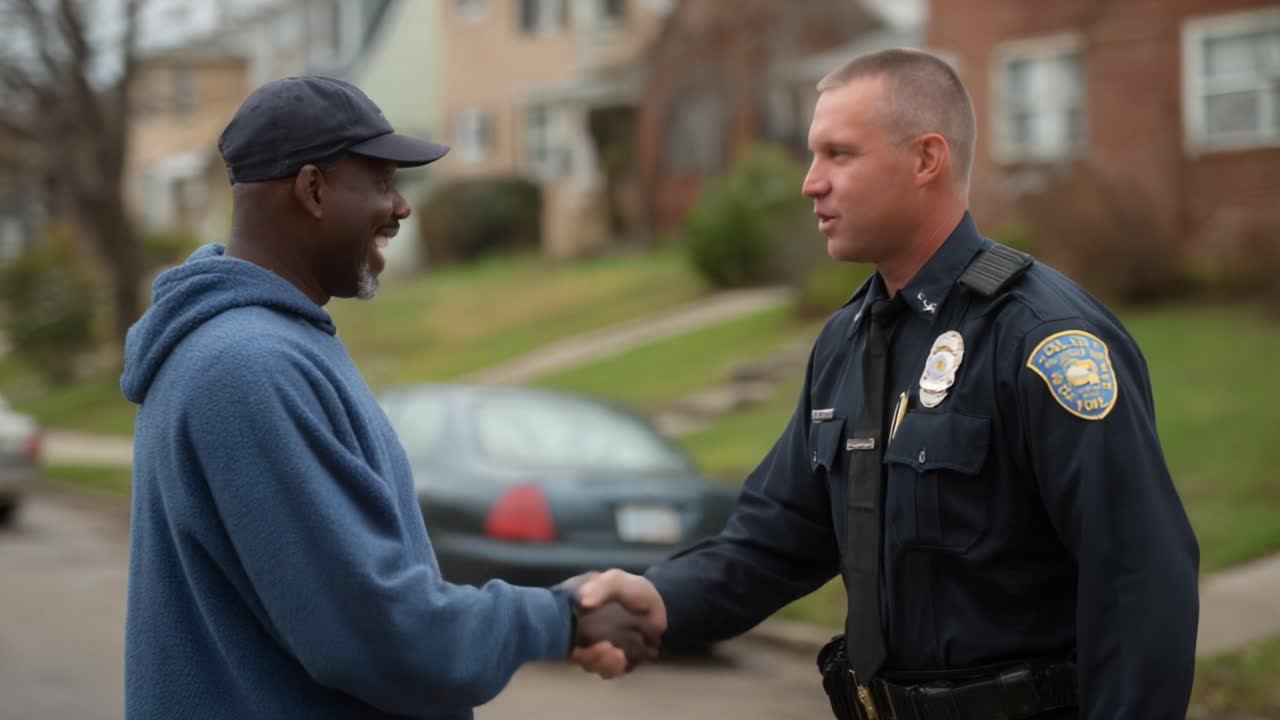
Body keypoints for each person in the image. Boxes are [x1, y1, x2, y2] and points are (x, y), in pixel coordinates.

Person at [573, 48, 1200, 719]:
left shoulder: (1041, 340)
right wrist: (662, 598)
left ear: (926, 159)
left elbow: (1139, 579)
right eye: (814, 156)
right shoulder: (847, 342)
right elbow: (776, 536)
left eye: (839, 154)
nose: (811, 183)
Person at [119, 76, 662, 720]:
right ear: (313, 188)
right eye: (380, 181)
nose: (401, 207)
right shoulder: (248, 366)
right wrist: (558, 619)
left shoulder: (265, 344)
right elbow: (370, 631)